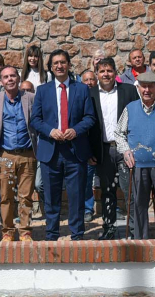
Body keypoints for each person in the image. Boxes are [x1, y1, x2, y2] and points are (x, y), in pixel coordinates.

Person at [31, 49, 96, 240]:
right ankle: (52, 234)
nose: (59, 66)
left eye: (63, 62)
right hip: (50, 150)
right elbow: (35, 119)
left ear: (68, 64)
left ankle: (77, 234)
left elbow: (90, 117)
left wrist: (76, 130)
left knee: (76, 195)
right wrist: (50, 131)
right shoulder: (42, 91)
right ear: (51, 67)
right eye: (56, 63)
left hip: (75, 150)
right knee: (51, 196)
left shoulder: (81, 89)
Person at [115, 72, 155, 239]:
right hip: (138, 165)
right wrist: (125, 150)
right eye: (143, 86)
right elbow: (119, 133)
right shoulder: (130, 108)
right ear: (138, 88)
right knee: (139, 206)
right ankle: (140, 242)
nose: (147, 90)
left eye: (151, 86)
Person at [87, 58, 139, 239]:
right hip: (103, 150)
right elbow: (87, 125)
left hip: (126, 149)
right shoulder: (90, 94)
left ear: (115, 73)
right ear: (96, 74)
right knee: (107, 191)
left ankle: (134, 231)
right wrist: (89, 151)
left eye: (109, 71)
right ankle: (109, 229)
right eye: (102, 71)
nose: (106, 74)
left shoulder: (129, 91)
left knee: (130, 191)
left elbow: (137, 117)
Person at [0, 66, 39, 242]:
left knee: (26, 196)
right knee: (5, 196)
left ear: (18, 78)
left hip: (27, 154)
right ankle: (7, 231)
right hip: (5, 155)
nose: (9, 79)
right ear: (1, 81)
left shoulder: (31, 98)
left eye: (12, 76)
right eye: (6, 77)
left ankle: (25, 231)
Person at [80, 70, 99, 222]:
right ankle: (87, 208)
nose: (89, 82)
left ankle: (113, 208)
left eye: (92, 79)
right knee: (86, 179)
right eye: (86, 80)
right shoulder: (79, 98)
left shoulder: (100, 96)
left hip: (102, 144)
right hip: (85, 145)